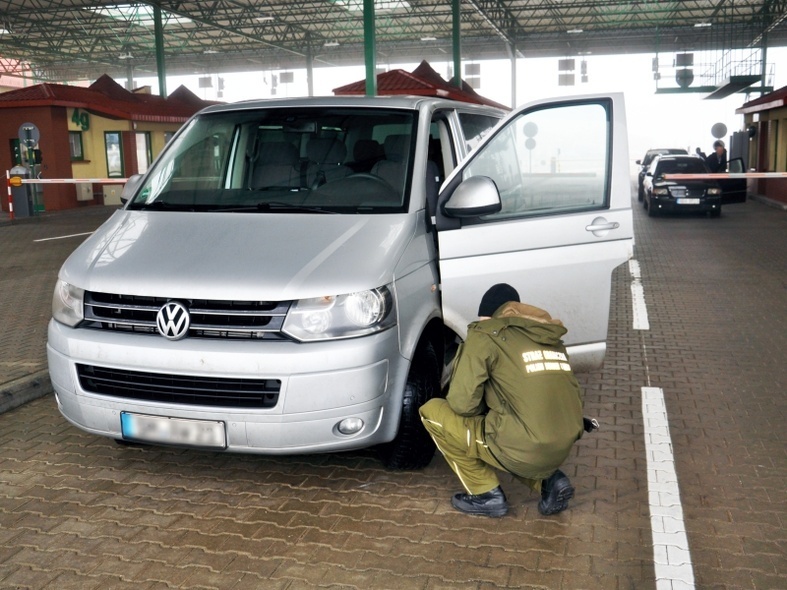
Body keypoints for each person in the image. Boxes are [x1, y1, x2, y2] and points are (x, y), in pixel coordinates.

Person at [419, 283, 584, 518]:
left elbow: (461, 404)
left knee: (433, 411)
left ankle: (485, 494)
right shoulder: (550, 339)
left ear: (490, 315)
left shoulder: (486, 335)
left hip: (523, 445)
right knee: (518, 430)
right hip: (562, 444)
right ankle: (550, 481)